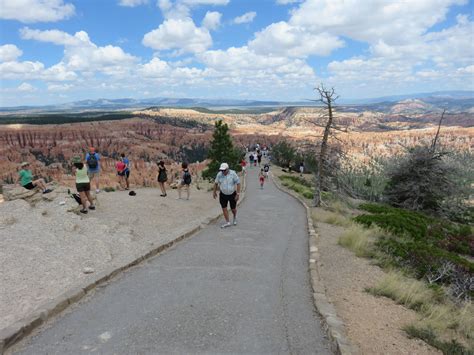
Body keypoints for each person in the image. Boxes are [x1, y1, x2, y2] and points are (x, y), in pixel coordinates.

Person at [213, 162, 241, 228]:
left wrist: (238, 194)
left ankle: (234, 217)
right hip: (223, 194)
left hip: (232, 194)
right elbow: (216, 183)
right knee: (224, 208)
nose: (223, 171)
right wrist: (214, 192)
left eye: (224, 170)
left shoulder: (233, 174)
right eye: (222, 170)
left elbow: (238, 183)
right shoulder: (219, 174)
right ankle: (227, 222)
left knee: (233, 209)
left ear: (228, 169)